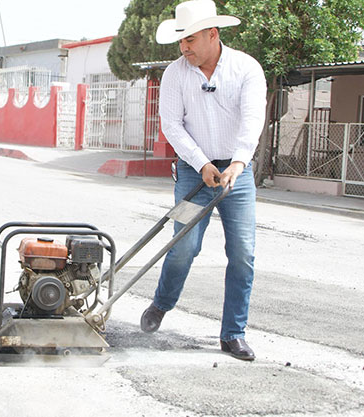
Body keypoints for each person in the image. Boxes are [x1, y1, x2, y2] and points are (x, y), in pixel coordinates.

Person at [140, 0, 266, 361]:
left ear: (213, 34)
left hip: (237, 174)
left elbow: (252, 120)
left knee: (242, 253)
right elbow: (171, 125)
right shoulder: (175, 74)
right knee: (183, 246)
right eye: (181, 40)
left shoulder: (246, 68)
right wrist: (201, 163)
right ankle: (162, 303)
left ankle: (233, 334)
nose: (184, 47)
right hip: (193, 171)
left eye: (190, 39)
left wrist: (238, 162)